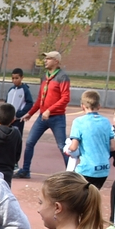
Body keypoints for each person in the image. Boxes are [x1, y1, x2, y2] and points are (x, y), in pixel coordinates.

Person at [15, 51, 71, 179]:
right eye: (45, 58)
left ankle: (71, 174)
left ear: (56, 61)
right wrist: (30, 113)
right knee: (29, 142)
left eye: (48, 58)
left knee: (62, 146)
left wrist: (49, 110)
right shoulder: (45, 77)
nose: (45, 61)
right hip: (42, 117)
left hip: (57, 118)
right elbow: (41, 98)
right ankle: (25, 170)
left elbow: (65, 98)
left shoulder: (62, 77)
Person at [64, 90, 115, 190]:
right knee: (91, 197)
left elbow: (74, 147)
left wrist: (67, 149)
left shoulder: (79, 122)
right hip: (103, 170)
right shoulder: (105, 121)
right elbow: (113, 147)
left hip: (87, 169)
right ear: (99, 106)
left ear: (82, 106)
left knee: (76, 197)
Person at [6, 68, 34, 139]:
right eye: (13, 78)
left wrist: (19, 114)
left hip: (18, 120)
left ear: (22, 78)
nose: (14, 80)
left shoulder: (25, 90)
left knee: (16, 137)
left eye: (17, 78)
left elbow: (29, 103)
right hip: (8, 119)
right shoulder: (11, 90)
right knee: (6, 137)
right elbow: (6, 102)